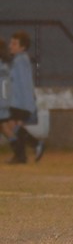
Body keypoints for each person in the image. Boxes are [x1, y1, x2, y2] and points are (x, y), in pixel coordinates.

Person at [1, 31, 42, 164]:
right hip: (18, 102)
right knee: (11, 127)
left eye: (14, 44)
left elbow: (17, 79)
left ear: (22, 47)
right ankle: (25, 153)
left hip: (21, 103)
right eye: (10, 43)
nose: (10, 46)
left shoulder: (21, 60)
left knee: (9, 126)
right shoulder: (18, 60)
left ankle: (31, 148)